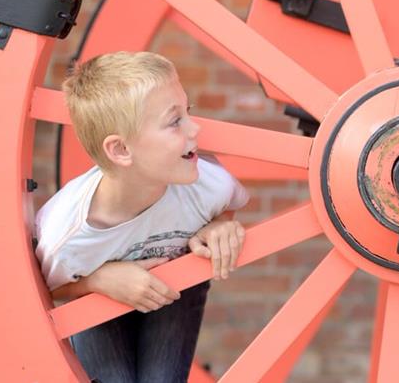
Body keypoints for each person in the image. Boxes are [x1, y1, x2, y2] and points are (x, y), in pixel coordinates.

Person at [34, 51, 249, 383]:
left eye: (187, 112)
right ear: (121, 150)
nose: (196, 128)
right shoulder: (69, 231)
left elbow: (227, 203)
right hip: (99, 309)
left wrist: (220, 225)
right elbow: (49, 291)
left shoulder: (208, 185)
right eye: (175, 120)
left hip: (173, 295)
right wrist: (98, 281)